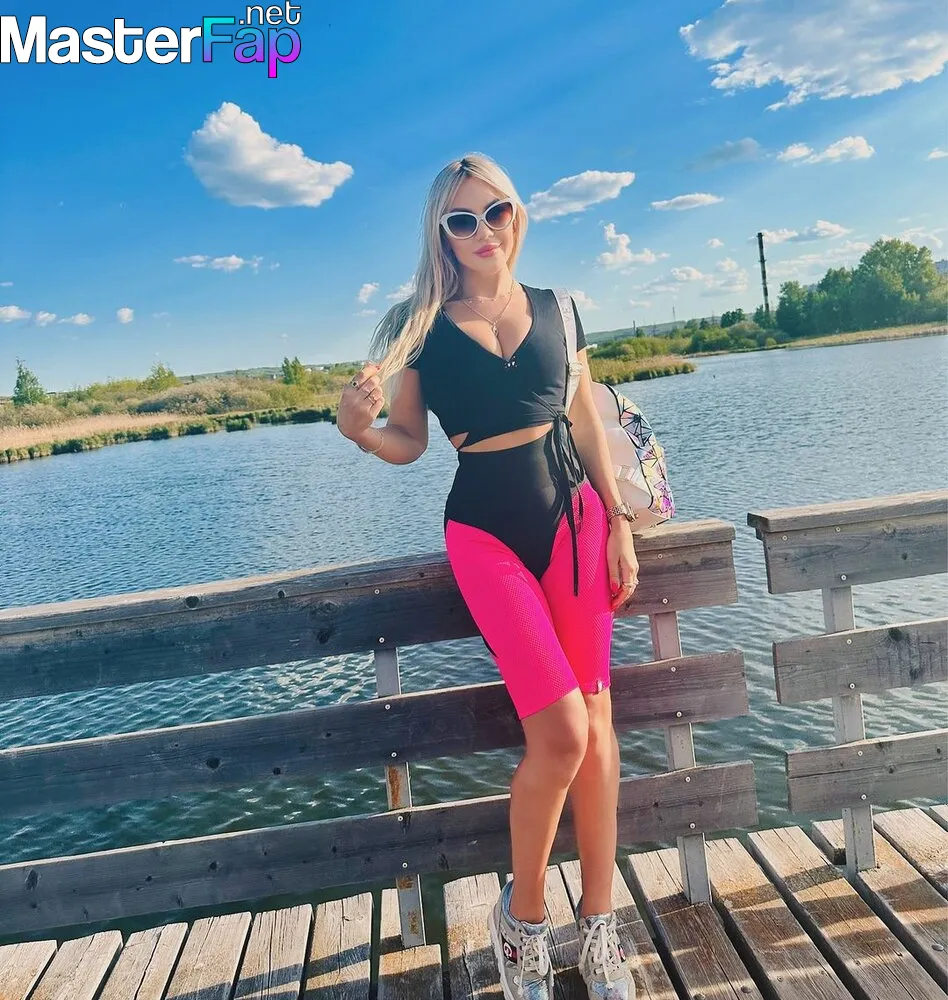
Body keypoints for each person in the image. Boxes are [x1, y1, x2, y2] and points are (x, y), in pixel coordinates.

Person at [337, 152, 639, 1000]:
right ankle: (524, 926)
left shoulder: (559, 307)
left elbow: (584, 417)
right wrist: (360, 433)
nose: (482, 231)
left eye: (495, 211)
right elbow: (408, 440)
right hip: (484, 535)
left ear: (517, 214)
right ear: (441, 232)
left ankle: (601, 930)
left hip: (575, 522)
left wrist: (619, 521)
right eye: (462, 219)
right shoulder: (415, 325)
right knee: (563, 733)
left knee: (599, 727)